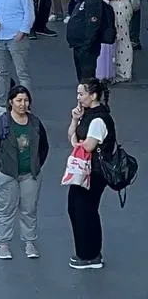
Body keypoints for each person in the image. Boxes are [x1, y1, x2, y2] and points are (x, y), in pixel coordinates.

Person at [0, 85, 48, 260]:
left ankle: (30, 242)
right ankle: (3, 244)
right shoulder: (1, 124)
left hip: (30, 175)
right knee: (6, 209)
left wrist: (36, 165)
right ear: (11, 102)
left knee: (29, 209)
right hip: (6, 175)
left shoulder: (35, 123)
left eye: (26, 100)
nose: (23, 104)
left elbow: (44, 146)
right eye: (19, 100)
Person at [67, 78, 116, 269]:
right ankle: (91, 252)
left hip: (94, 172)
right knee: (82, 208)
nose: (78, 97)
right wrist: (74, 120)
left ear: (92, 95)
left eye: (81, 94)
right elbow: (73, 134)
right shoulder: (88, 115)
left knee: (83, 209)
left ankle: (88, 255)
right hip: (86, 169)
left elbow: (87, 145)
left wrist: (75, 140)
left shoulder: (98, 120)